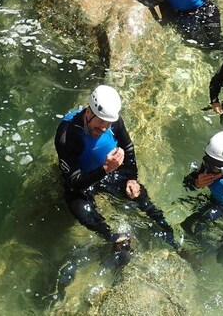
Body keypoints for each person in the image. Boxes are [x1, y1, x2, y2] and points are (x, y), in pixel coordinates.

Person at [54, 85, 178, 263]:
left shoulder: (114, 122)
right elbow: (73, 182)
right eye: (101, 121)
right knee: (82, 211)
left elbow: (127, 147)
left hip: (109, 171)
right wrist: (104, 169)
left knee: (140, 196)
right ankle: (115, 238)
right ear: (89, 111)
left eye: (108, 123)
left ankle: (169, 234)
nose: (104, 127)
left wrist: (131, 178)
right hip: (83, 179)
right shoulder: (67, 135)